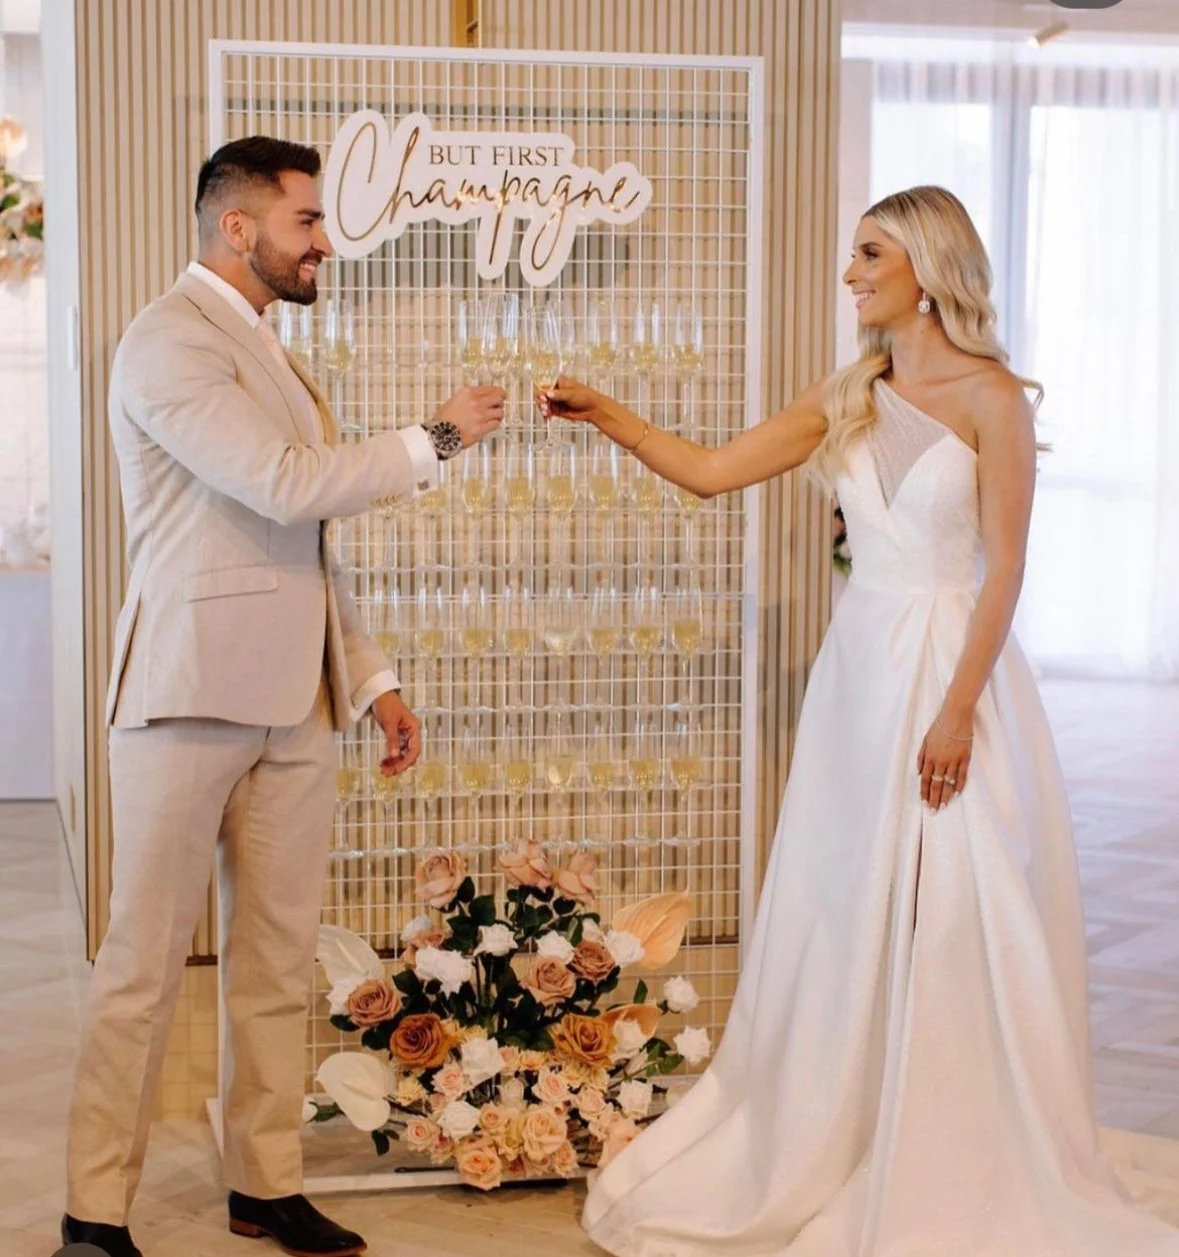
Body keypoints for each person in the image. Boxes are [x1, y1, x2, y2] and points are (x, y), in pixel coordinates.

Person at [540, 186, 1179, 1256]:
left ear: (924, 271)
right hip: (857, 681)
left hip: (948, 670)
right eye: (853, 253)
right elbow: (710, 474)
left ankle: (950, 1140)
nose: (850, 272)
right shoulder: (850, 394)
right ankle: (838, 1119)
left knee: (956, 904)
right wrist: (609, 415)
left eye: (869, 253)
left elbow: (1008, 566)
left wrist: (959, 709)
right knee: (848, 901)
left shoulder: (991, 399)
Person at [62, 136, 504, 1257]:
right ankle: (92, 1213)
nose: (325, 241)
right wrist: (438, 435)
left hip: (299, 706)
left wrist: (375, 680)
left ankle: (263, 1184)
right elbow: (285, 482)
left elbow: (301, 540)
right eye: (308, 220)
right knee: (144, 967)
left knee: (273, 959)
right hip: (187, 695)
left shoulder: (269, 351)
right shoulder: (166, 341)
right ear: (238, 228)